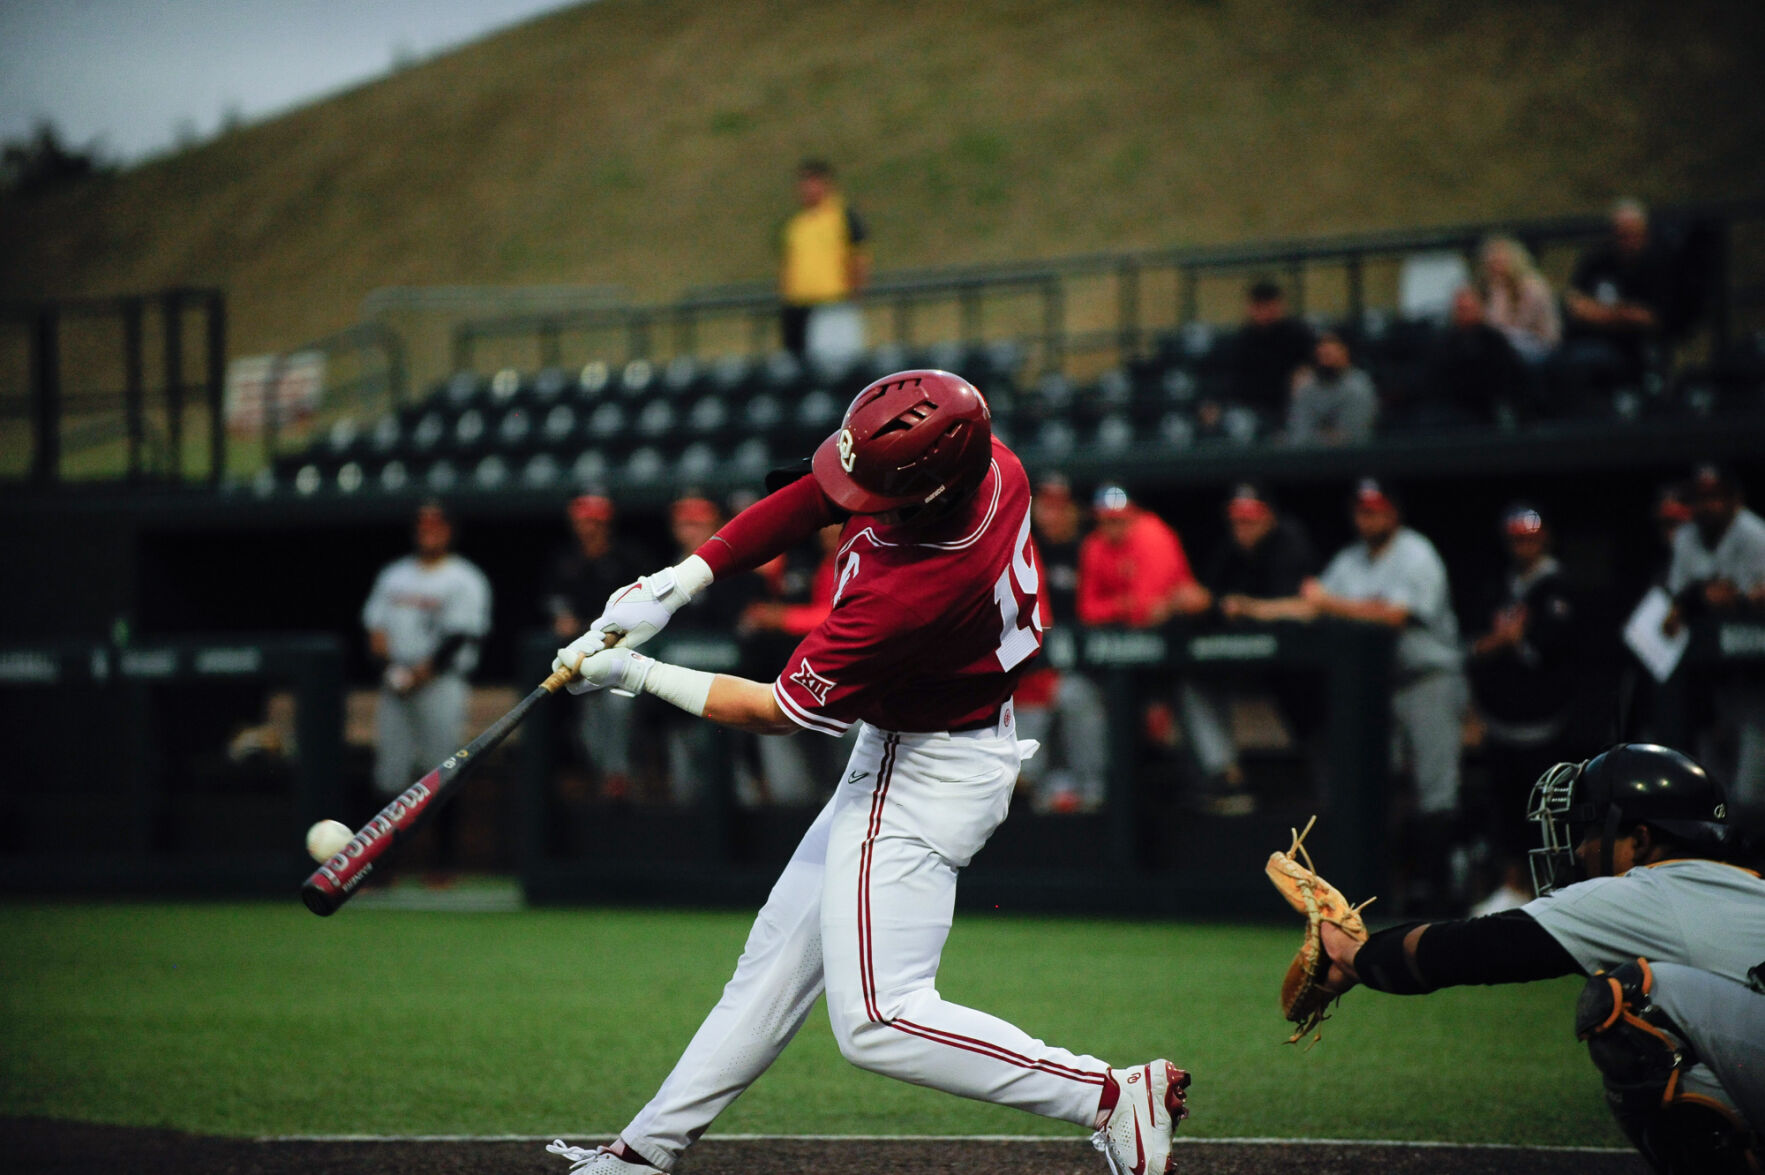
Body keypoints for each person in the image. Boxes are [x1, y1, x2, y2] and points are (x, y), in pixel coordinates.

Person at [547, 370, 1190, 1175]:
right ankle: (645, 1150)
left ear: (925, 493)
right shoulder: (995, 465)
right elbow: (813, 497)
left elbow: (777, 708)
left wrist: (636, 673)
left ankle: (1106, 1095)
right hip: (934, 744)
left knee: (879, 1019)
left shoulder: (910, 593)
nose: (852, 499)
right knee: (773, 965)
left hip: (922, 771)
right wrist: (679, 581)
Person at [1314, 744, 1764, 1175]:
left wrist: (1355, 955)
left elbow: (1477, 947)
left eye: (1589, 832)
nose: (1581, 851)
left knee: (1632, 998)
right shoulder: (1745, 885)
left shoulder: (1650, 891)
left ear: (1641, 839)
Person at [1242, 479, 1469, 911]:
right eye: (1362, 511)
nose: (1369, 519)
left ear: (1394, 513)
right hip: (1381, 689)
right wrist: (1255, 608)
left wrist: (1329, 603)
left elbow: (1394, 616)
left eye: (1377, 510)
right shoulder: (1351, 561)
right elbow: (1312, 604)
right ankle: (1401, 889)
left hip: (1428, 679)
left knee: (1437, 791)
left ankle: (1444, 893)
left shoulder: (1416, 554)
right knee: (1381, 789)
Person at [1465, 504, 1590, 914]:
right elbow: (1476, 647)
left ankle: (1556, 896)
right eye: (1518, 537)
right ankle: (1513, 889)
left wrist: (1510, 641)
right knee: (1505, 810)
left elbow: (1557, 651)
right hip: (1502, 722)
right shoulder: (1496, 586)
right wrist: (1501, 642)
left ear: (1546, 538)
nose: (1525, 545)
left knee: (1550, 811)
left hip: (1547, 724)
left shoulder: (1559, 588)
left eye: (1531, 537)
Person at [360, 500, 492, 868]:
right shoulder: (394, 575)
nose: (429, 531)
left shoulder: (464, 578)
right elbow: (376, 630)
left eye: (437, 525)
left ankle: (442, 865)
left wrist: (415, 674)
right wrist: (392, 671)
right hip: (395, 683)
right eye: (423, 525)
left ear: (449, 530)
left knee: (440, 773)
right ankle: (380, 868)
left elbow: (459, 638)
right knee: (389, 774)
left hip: (440, 685)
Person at [1177, 482, 1322, 816]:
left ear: (1268, 516)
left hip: (1304, 668)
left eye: (1250, 519)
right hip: (1252, 661)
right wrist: (1201, 603)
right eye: (1237, 520)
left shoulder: (1290, 542)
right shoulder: (1231, 550)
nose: (1242, 528)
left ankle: (1331, 801)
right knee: (1195, 681)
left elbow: (1308, 607)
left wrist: (1249, 608)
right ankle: (1226, 778)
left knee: (1315, 723)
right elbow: (1214, 599)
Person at [1663, 464, 1765, 815]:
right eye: (1700, 498)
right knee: (1713, 787)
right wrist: (1700, 597)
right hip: (1707, 675)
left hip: (1754, 675)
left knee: (1751, 793)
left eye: (1715, 497)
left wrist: (1736, 599)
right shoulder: (1688, 537)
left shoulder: (1754, 534)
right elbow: (1677, 601)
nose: (1707, 506)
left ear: (1735, 499)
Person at [1014, 474, 1108, 814]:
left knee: (1074, 694)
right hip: (1037, 667)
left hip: (1091, 665)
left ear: (1076, 511)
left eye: (1061, 507)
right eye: (1046, 506)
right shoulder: (1023, 547)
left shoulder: (1093, 546)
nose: (1051, 515)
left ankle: (1095, 790)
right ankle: (1038, 788)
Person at [542, 493, 645, 800]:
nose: (588, 527)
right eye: (582, 521)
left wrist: (587, 624)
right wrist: (562, 620)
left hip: (623, 655)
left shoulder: (628, 558)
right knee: (587, 732)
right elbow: (554, 606)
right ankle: (608, 787)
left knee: (620, 711)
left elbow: (641, 611)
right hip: (581, 661)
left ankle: (621, 782)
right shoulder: (564, 560)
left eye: (594, 521)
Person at [1559, 198, 1676, 410]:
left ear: (1645, 233)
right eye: (1620, 234)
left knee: (1578, 363)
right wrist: (1621, 314)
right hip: (1587, 341)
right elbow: (1574, 303)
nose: (1626, 240)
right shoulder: (1598, 260)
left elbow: (1650, 318)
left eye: (1632, 234)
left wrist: (1601, 314)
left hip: (1635, 350)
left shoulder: (1657, 264)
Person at [778, 159, 870, 362]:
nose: (807, 188)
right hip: (798, 307)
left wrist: (854, 294)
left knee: (833, 363)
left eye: (813, 181)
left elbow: (857, 258)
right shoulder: (797, 224)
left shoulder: (843, 216)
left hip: (832, 305)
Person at [1212, 278, 1316, 438]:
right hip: (1252, 409)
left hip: (1291, 406)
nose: (1264, 312)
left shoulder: (1298, 334)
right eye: (1258, 306)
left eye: (1269, 305)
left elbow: (1315, 364)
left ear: (1279, 305)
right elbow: (1230, 380)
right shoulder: (1241, 340)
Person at [1412, 286, 1528, 428]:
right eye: (1460, 308)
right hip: (1449, 410)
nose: (1464, 312)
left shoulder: (1494, 341)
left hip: (1486, 409)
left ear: (1480, 308)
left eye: (1468, 308)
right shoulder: (1442, 342)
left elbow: (1509, 378)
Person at [1478, 235, 1561, 366]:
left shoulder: (1532, 287)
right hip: (1509, 343)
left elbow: (1515, 324)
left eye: (1499, 263)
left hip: (1540, 344)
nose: (1494, 269)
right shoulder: (1493, 288)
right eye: (1491, 264)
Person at [1286, 329, 1378, 446]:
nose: (1325, 351)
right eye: (1321, 350)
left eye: (1331, 349)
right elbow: (1298, 434)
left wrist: (1317, 438)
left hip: (1350, 459)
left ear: (1346, 351)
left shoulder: (1358, 387)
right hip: (1306, 457)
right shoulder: (1307, 387)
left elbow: (1353, 436)